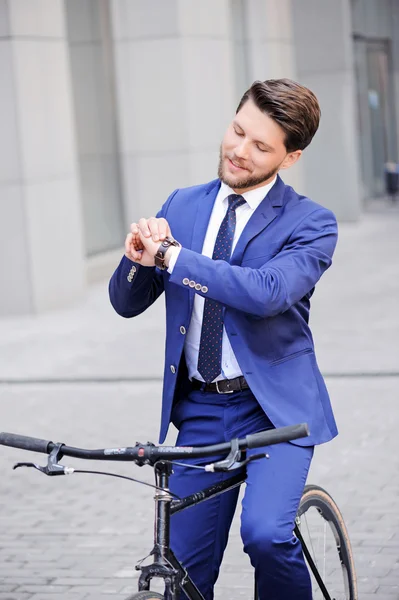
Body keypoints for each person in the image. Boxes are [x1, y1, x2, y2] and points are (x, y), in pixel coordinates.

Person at [109, 78, 338, 600]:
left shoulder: (312, 223)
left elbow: (265, 292)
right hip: (201, 411)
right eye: (238, 131)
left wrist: (172, 257)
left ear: (291, 156)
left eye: (261, 146)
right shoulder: (183, 204)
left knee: (265, 534)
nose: (238, 151)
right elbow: (125, 303)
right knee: (183, 572)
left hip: (274, 413)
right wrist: (137, 257)